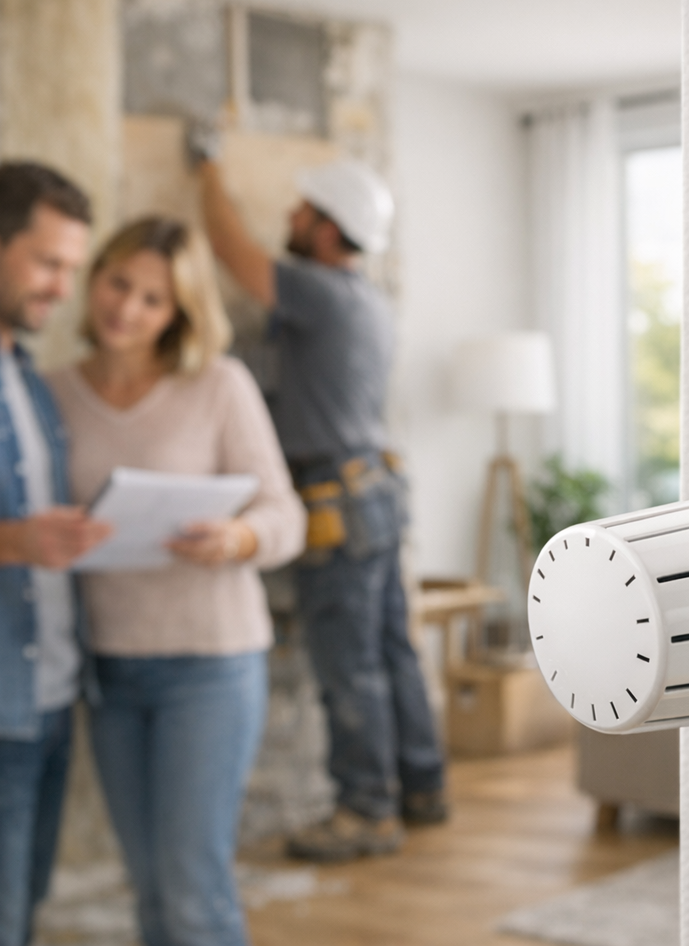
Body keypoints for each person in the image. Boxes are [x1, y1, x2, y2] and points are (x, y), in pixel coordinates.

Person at [46, 216, 306, 945]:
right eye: (118, 283)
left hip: (211, 666)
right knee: (150, 888)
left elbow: (285, 512)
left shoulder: (219, 385)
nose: (127, 309)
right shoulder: (53, 392)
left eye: (153, 299)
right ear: (94, 278)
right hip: (108, 668)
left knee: (194, 887)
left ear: (180, 312)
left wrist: (239, 536)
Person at [190, 134, 446, 862]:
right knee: (392, 650)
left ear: (329, 229)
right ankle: (421, 786)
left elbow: (229, 247)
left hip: (337, 500)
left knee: (349, 665)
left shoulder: (318, 292)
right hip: (373, 491)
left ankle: (366, 811)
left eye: (302, 212)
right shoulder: (366, 299)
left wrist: (210, 166)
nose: (291, 220)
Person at [0, 161, 112, 946]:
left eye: (73, 267)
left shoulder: (28, 378)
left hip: (52, 698)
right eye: (48, 262)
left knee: (20, 918)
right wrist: (15, 542)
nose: (64, 288)